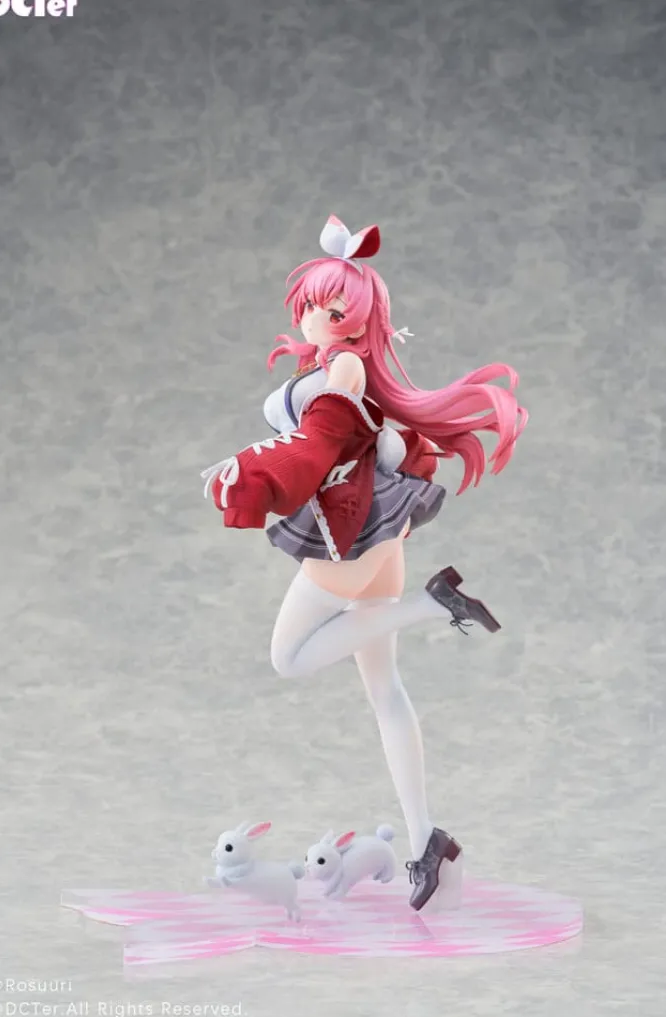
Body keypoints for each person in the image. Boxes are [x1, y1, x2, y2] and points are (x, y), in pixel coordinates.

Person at [202, 215, 527, 910]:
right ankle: (427, 843)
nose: (310, 318)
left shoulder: (344, 368)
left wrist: (251, 468)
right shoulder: (348, 366)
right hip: (382, 537)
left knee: (288, 659)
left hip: (348, 539)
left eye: (324, 308)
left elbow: (315, 448)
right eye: (310, 306)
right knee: (386, 692)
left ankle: (433, 604)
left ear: (347, 318)